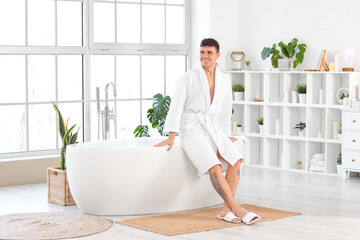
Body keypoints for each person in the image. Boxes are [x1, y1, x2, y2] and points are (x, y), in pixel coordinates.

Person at [154, 38, 260, 224]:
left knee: (236, 159)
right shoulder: (188, 78)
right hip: (191, 128)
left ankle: (225, 210)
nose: (205, 56)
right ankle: (236, 208)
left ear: (217, 55)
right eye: (202, 52)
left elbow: (226, 108)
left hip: (213, 127)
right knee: (214, 165)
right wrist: (171, 135)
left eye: (209, 53)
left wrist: (226, 135)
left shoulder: (224, 80)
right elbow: (176, 106)